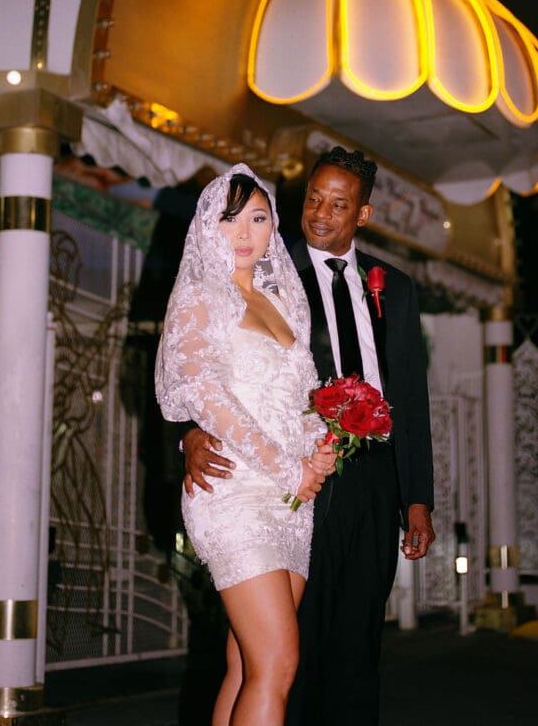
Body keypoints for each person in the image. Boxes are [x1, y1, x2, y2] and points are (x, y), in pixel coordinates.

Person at [182, 146, 436, 725]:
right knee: (283, 647)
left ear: (363, 215)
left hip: (373, 480)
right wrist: (189, 434)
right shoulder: (267, 274)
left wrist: (416, 500)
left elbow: (413, 402)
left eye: (338, 204)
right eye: (313, 199)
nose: (320, 213)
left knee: (357, 633)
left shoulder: (394, 288)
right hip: (293, 476)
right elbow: (206, 363)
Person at [154, 164, 335, 726]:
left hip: (292, 502)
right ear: (209, 226)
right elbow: (204, 395)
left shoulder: (284, 305)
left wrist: (317, 452)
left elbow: (302, 393)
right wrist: (287, 467)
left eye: (258, 218)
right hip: (235, 491)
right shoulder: (200, 299)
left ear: (272, 228)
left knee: (247, 663)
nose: (244, 232)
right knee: (278, 662)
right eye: (230, 219)